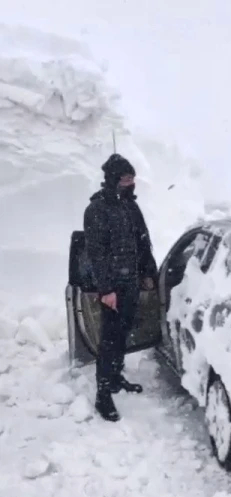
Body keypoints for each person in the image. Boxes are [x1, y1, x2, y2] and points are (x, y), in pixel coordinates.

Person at [83, 154, 157, 422]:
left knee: (123, 334)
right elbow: (96, 254)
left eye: (132, 179)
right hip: (113, 288)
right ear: (113, 179)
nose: (130, 183)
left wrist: (149, 273)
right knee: (110, 340)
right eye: (126, 179)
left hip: (132, 283)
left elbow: (143, 241)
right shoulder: (97, 210)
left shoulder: (129, 206)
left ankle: (115, 378)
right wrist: (106, 290)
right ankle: (103, 396)